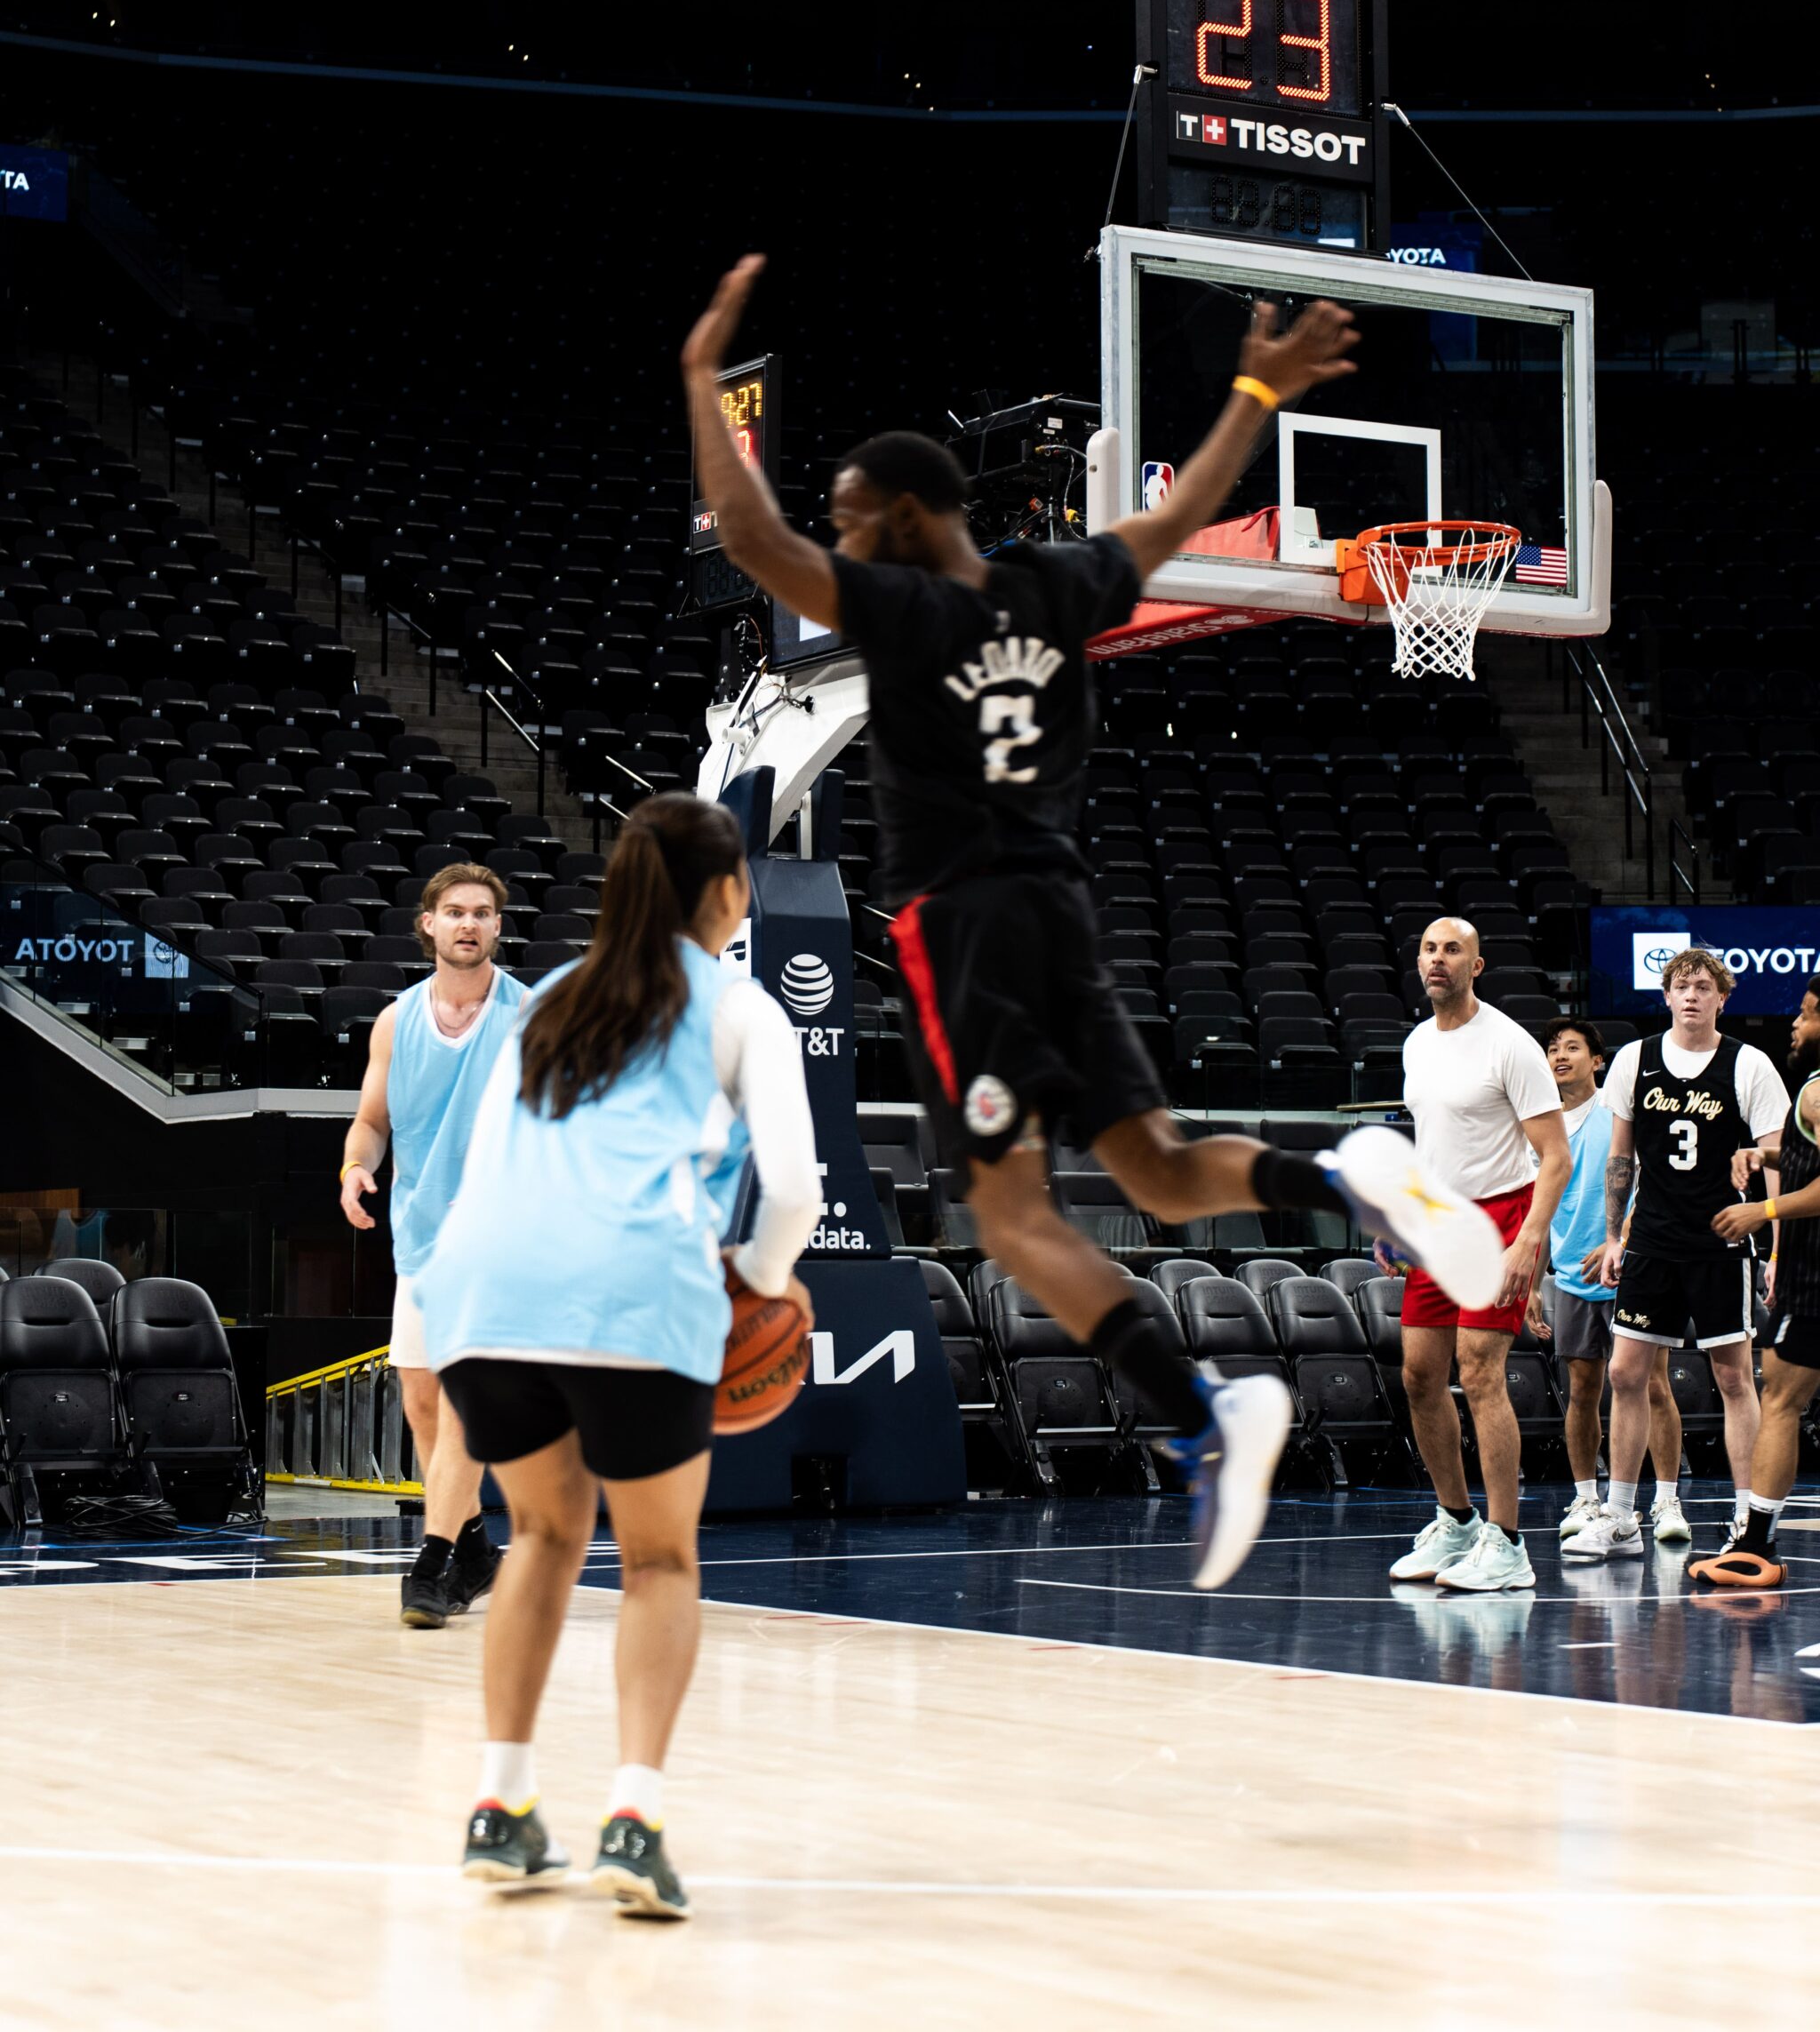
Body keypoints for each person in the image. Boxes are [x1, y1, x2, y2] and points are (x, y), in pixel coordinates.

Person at [682, 253, 1506, 1594]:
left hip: (965, 930)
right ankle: (1353, 1179)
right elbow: (1183, 515)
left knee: (1012, 1216)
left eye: (850, 514)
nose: (836, 535)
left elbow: (747, 538)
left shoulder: (900, 605)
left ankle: (1203, 1417)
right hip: (1062, 909)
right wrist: (1255, 391)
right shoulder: (1059, 584)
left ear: (903, 519)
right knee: (1163, 1171)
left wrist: (698, 389)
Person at [416, 794, 821, 1913]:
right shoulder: (738, 1002)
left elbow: (488, 1159)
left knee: (541, 1536)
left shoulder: (543, 997)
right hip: (632, 1283)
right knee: (658, 1562)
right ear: (728, 892)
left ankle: (499, 1806)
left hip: (481, 1290)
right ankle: (632, 1824)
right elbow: (793, 1189)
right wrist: (761, 1279)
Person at [339, 862, 526, 1627]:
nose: (468, 923)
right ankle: (477, 1548)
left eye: (481, 912)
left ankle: (432, 1564)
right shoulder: (396, 1021)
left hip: (502, 1244)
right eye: (454, 911)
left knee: (462, 1409)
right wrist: (355, 1167)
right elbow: (371, 1121)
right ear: (429, 924)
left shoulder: (530, 1017)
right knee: (421, 1401)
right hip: (421, 1238)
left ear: (497, 927)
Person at [1563, 947, 1787, 1569]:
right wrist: (1614, 1237)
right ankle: (1620, 1516)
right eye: (1681, 986)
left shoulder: (1750, 1064)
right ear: (1665, 996)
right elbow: (1621, 1158)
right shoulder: (1635, 1059)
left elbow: (1778, 1161)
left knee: (1734, 1378)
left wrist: (1778, 1246)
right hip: (1652, 1243)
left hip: (1721, 1240)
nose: (1691, 995)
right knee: (1625, 1373)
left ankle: (1747, 1517)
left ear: (1723, 998)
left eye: (1703, 986)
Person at [1386, 919, 1572, 1593]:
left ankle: (1508, 1544)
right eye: (1429, 949)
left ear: (1477, 965)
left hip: (1502, 1218)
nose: (1438, 959)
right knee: (1419, 1376)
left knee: (1480, 1370)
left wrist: (1530, 1241)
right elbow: (1432, 1143)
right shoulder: (1416, 1043)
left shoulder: (1510, 1045)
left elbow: (1556, 1157)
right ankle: (1458, 1522)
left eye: (1452, 950)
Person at [1688, 978, 1820, 1586]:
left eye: (1807, 1014)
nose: (1795, 1023)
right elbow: (1807, 1156)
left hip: (1814, 1280)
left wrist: (1760, 1211)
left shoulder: (1817, 1092)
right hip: (1805, 1277)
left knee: (1783, 1401)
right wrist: (1762, 1156)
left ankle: (1757, 1546)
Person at [1542, 1019, 1688, 1548]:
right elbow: (1536, 1207)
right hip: (1571, 1273)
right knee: (1582, 1390)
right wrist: (1534, 1281)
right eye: (1552, 1049)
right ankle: (1587, 1497)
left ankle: (1667, 1500)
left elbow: (1651, 1181)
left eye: (1572, 1047)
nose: (1560, 1056)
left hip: (1634, 1265)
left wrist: (1619, 1240)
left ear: (1598, 1061)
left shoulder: (1618, 1111)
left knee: (1652, 1384)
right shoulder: (1541, 1123)